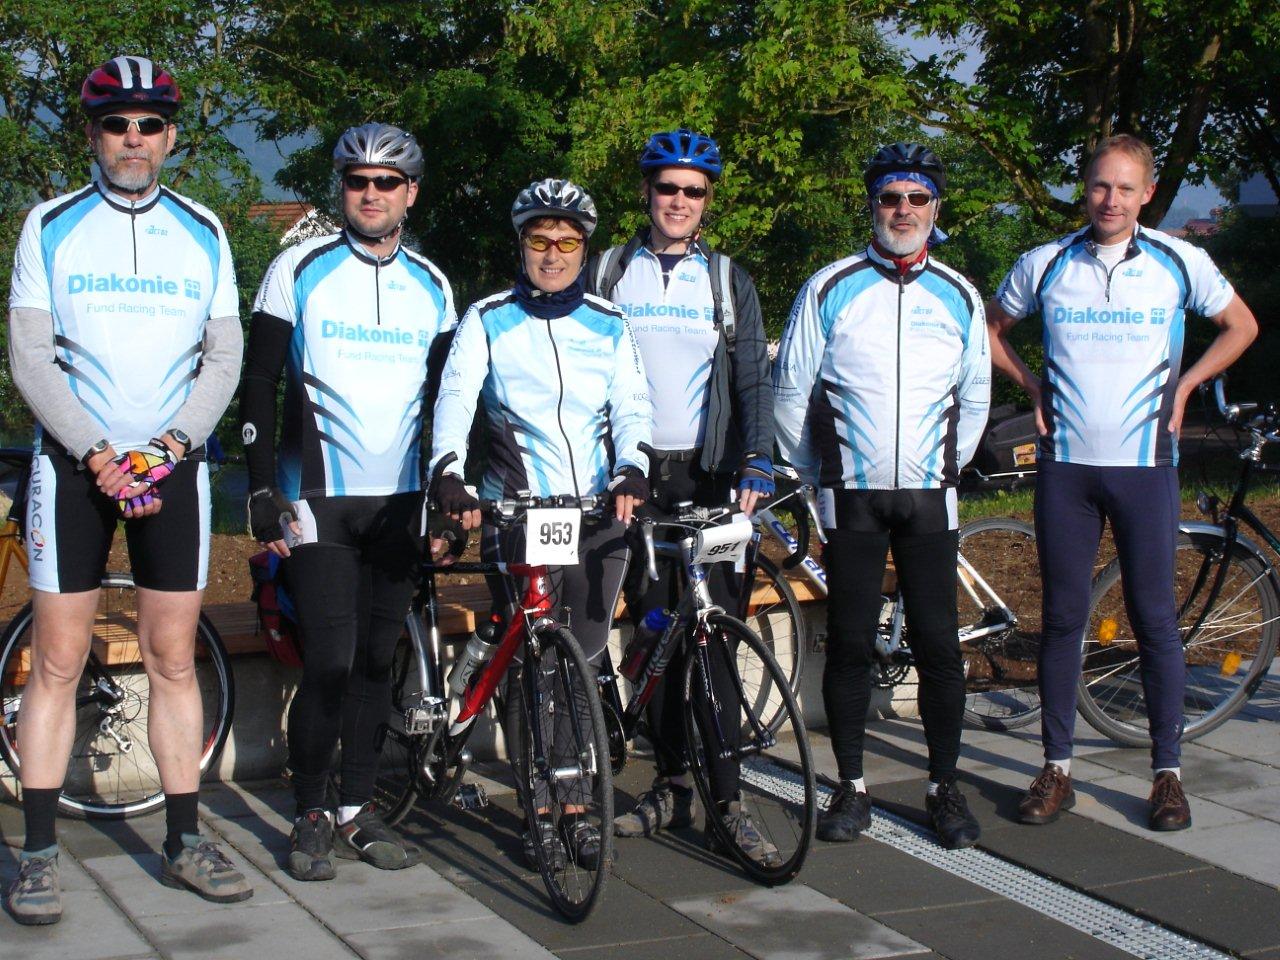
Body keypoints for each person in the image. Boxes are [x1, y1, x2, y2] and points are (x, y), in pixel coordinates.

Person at [5, 55, 248, 923]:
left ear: (171, 136)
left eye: (149, 124)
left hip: (172, 467)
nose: (133, 139)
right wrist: (100, 453)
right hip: (75, 467)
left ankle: (184, 840)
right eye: (117, 124)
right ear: (93, 135)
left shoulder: (204, 228)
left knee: (172, 657)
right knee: (58, 659)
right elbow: (29, 355)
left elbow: (225, 352)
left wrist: (173, 446)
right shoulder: (51, 224)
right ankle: (39, 856)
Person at [987, 134, 1258, 831]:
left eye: (1126, 188)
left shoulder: (1177, 261)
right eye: (1101, 186)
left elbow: (1241, 325)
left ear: (1147, 194)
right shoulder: (1046, 262)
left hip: (1145, 466)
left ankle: (1167, 776)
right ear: (1086, 188)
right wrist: (1031, 385)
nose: (1111, 200)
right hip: (1067, 469)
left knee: (1155, 621)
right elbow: (988, 329)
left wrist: (1188, 385)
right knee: (1063, 620)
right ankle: (1057, 768)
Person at [239, 123, 457, 881]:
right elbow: (258, 380)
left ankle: (357, 809)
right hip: (315, 500)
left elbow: (449, 404)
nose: (371, 193)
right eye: (357, 180)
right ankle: (310, 809)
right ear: (342, 188)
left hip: (399, 503)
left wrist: (447, 501)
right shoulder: (298, 267)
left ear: (410, 194)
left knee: (374, 659)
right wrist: (261, 488)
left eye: (387, 182)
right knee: (329, 660)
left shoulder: (433, 285)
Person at [774, 142, 991, 850]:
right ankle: (852, 786)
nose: (904, 210)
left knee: (938, 645)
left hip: (929, 495)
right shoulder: (832, 285)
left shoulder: (957, 293)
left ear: (935, 208)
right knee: (850, 644)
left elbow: (976, 395)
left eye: (917, 198)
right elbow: (790, 391)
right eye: (891, 198)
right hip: (851, 494)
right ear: (873, 206)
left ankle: (944, 787)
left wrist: (945, 466)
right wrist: (813, 476)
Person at [430, 177, 651, 870]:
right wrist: (448, 471)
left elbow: (632, 405)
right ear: (521, 245)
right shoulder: (488, 317)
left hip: (595, 513)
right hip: (519, 510)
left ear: (585, 249)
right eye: (539, 240)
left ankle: (577, 804)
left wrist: (633, 466)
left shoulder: (609, 322)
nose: (553, 254)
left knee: (583, 658)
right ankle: (539, 808)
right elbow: (456, 398)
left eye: (567, 242)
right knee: (534, 661)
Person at [585, 129, 778, 864]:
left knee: (715, 635)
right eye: (667, 187)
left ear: (707, 200)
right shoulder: (609, 270)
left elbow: (752, 379)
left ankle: (729, 800)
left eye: (693, 191)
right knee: (654, 637)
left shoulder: (726, 280)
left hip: (708, 479)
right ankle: (670, 785)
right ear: (647, 191)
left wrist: (757, 460)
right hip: (634, 480)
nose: (679, 201)